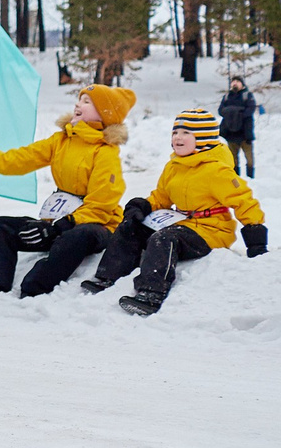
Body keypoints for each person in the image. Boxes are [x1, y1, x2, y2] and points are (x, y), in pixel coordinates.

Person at [0, 83, 132, 302]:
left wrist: (59, 226)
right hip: (60, 223)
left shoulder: (105, 153)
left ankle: (34, 290)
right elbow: (19, 159)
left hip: (97, 227)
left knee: (76, 236)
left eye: (86, 101)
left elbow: (102, 205)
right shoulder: (61, 140)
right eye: (79, 99)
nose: (77, 104)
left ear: (103, 113)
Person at [81, 108, 267, 315]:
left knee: (164, 239)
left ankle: (152, 293)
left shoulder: (217, 170)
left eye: (186, 133)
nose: (177, 137)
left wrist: (256, 237)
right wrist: (143, 206)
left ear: (203, 138)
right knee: (130, 226)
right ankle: (109, 276)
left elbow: (243, 201)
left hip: (211, 230)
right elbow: (162, 196)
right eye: (175, 132)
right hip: (182, 222)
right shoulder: (174, 165)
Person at [218, 76, 260, 177]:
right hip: (231, 133)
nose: (235, 83)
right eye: (233, 82)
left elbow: (250, 109)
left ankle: (251, 179)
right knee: (233, 159)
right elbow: (221, 111)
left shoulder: (247, 95)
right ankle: (236, 179)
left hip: (245, 133)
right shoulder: (227, 96)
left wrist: (237, 113)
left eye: (237, 81)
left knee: (249, 159)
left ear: (242, 84)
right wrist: (235, 111)